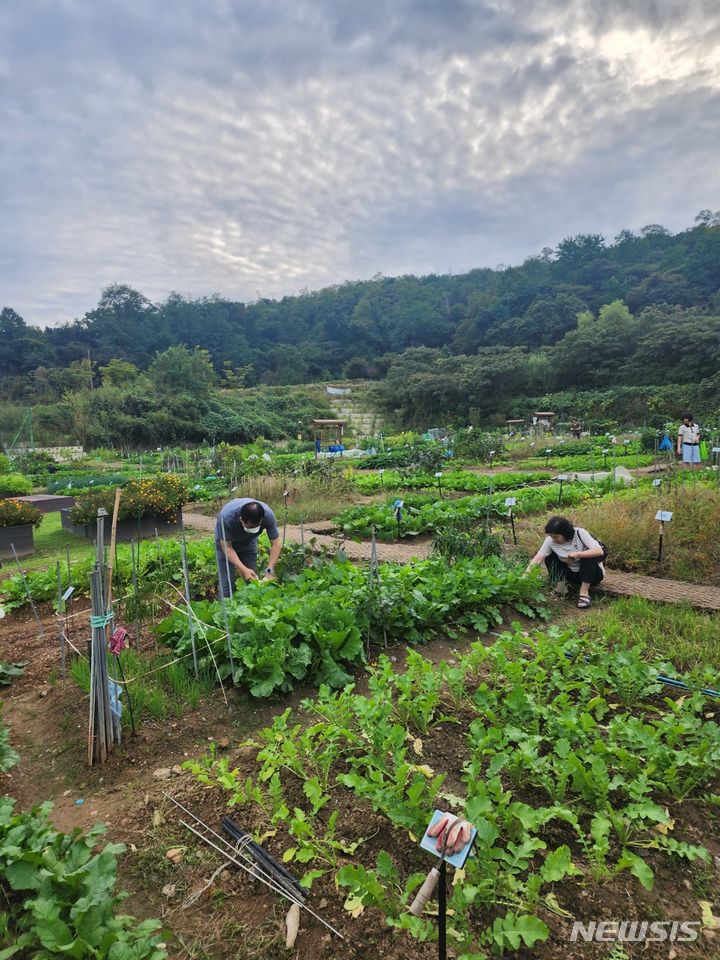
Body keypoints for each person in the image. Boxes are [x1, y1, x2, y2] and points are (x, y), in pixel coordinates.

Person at [525, 515, 605, 609]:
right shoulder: (550, 541)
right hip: (572, 574)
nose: (553, 539)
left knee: (587, 556)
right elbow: (538, 559)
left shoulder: (580, 533)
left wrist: (578, 554)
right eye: (551, 536)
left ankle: (584, 593)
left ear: (565, 533)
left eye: (556, 537)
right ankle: (561, 589)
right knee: (550, 557)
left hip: (592, 575)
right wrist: (525, 576)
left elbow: (599, 551)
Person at [215, 498, 282, 599]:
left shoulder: (267, 515)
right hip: (226, 544)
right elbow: (227, 548)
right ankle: (226, 611)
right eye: (251, 527)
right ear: (241, 519)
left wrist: (269, 570)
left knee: (251, 579)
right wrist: (242, 569)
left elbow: (276, 544)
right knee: (227, 584)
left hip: (249, 541)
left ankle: (251, 607)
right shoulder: (227, 518)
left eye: (258, 526)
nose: (254, 529)